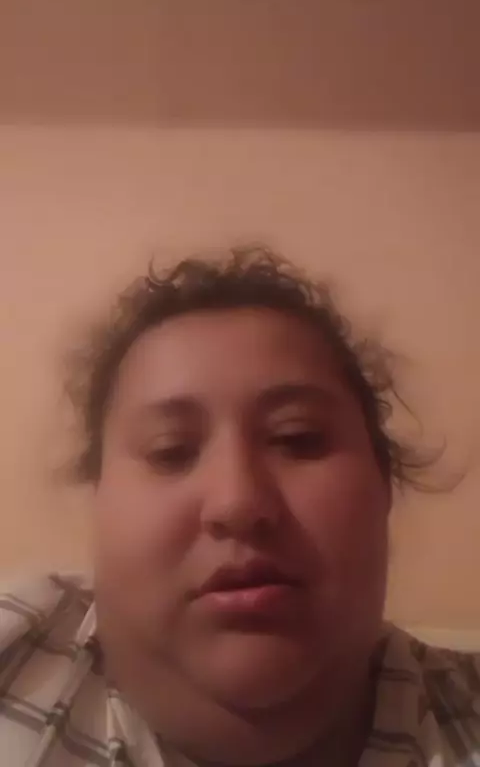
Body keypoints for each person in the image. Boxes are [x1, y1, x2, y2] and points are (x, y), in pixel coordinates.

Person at [0, 247, 478, 767]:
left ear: (383, 483)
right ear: (100, 499)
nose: (238, 501)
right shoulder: (15, 644)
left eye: (298, 438)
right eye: (171, 451)